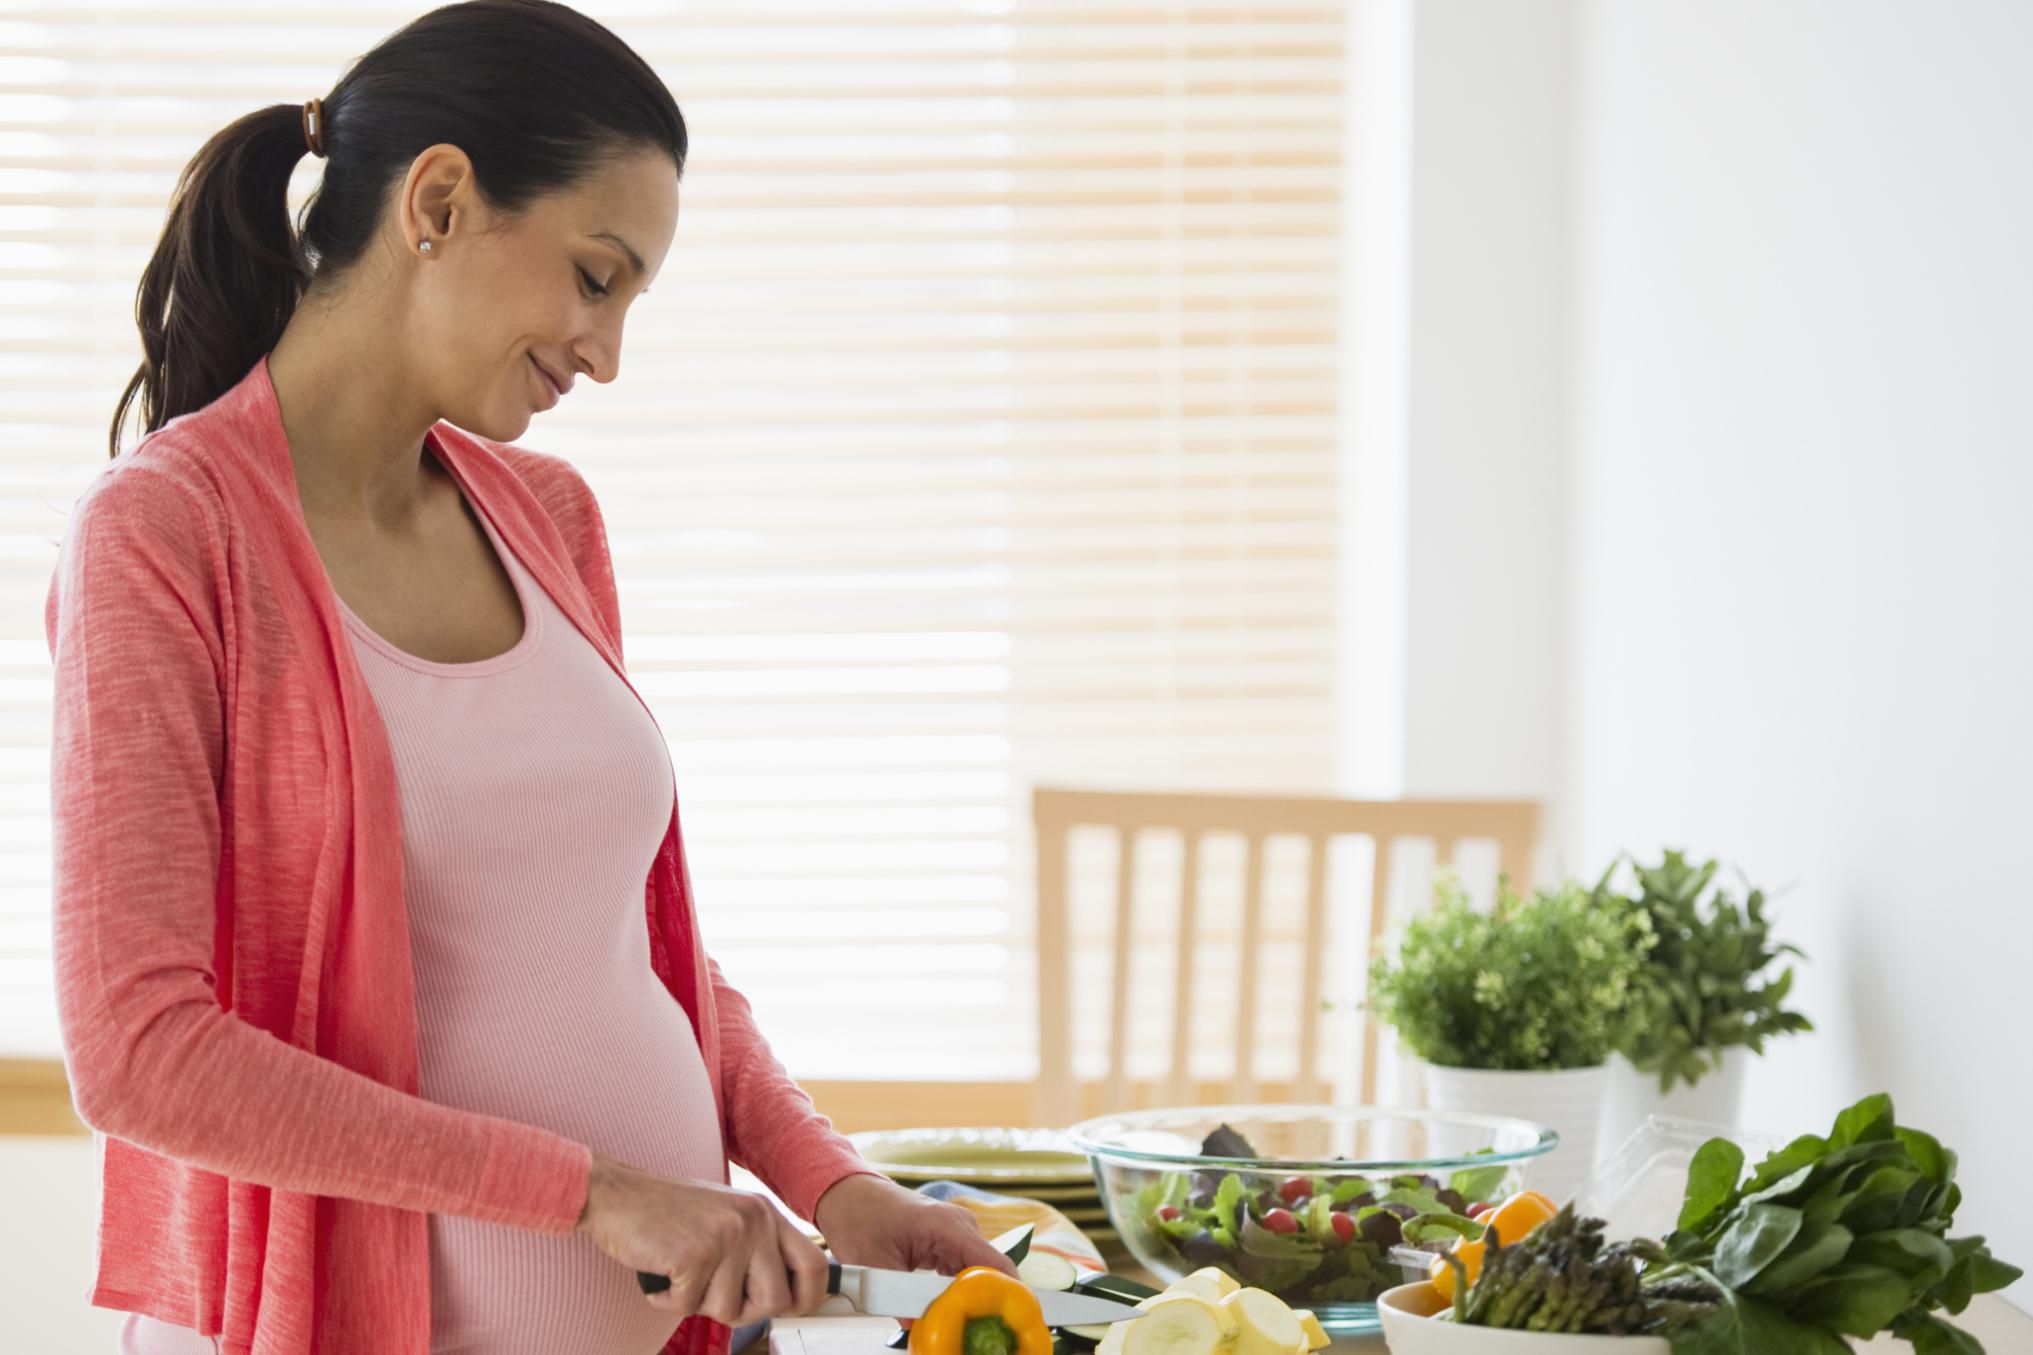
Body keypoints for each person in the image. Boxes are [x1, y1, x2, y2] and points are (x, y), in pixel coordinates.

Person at [46, 4, 1014, 1353]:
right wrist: (591, 1195)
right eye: (595, 276)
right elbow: (142, 1055)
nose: (606, 353)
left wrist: (826, 1179)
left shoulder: (547, 519)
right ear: (437, 200)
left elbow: (631, 953)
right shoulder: (164, 536)